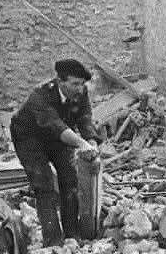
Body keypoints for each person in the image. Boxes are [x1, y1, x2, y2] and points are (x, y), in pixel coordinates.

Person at [9, 58, 100, 244]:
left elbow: (84, 118)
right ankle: (52, 241)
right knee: (44, 185)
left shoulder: (80, 92)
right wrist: (82, 144)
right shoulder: (40, 95)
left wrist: (91, 142)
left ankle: (72, 235)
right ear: (60, 81)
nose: (79, 88)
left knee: (70, 180)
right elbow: (57, 126)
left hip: (58, 139)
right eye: (75, 84)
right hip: (29, 139)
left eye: (82, 84)